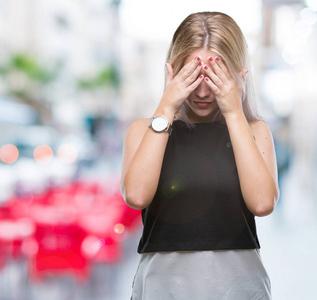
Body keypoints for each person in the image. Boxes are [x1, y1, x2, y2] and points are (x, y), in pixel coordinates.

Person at [120, 11, 279, 300]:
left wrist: (233, 111)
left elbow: (262, 203)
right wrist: (166, 107)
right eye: (192, 76)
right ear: (173, 72)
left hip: (239, 286)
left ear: (238, 75)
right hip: (161, 288)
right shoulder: (142, 131)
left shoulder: (256, 131)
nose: (203, 91)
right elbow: (136, 196)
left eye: (214, 76)